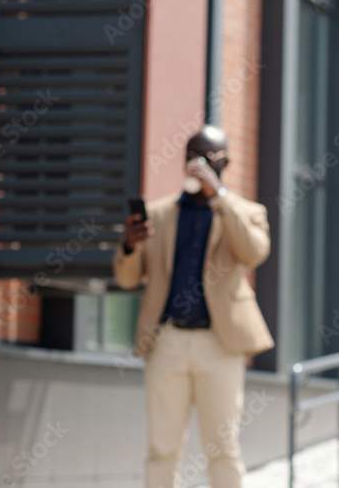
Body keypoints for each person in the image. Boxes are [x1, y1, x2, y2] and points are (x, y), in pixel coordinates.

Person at [115, 124, 274, 488]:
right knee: (162, 446)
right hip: (167, 342)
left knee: (222, 446)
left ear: (225, 162)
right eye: (190, 158)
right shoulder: (158, 214)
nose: (195, 165)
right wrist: (128, 246)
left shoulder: (246, 212)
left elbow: (253, 252)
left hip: (219, 345)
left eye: (205, 158)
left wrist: (218, 194)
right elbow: (127, 279)